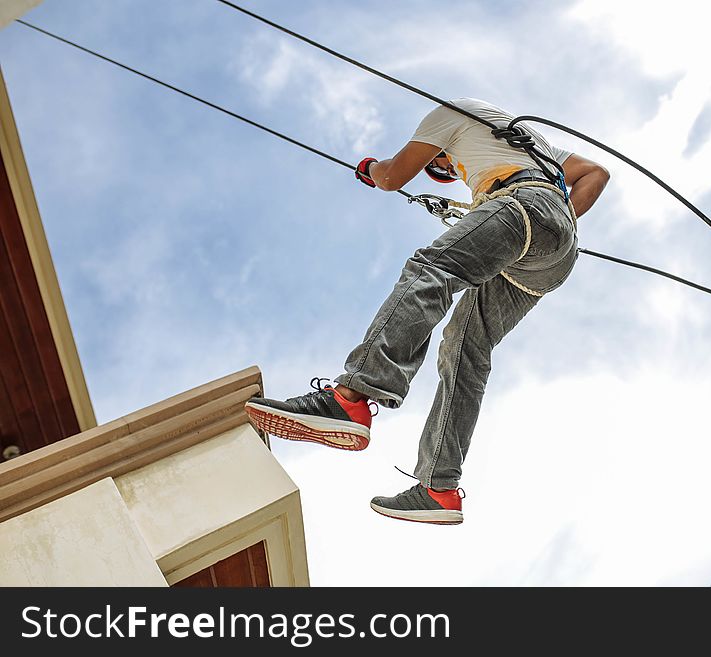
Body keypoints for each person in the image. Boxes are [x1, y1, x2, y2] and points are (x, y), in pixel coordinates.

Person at [245, 98, 610, 524]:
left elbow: (392, 175)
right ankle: (439, 488)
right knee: (465, 347)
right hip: (555, 253)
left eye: (444, 167)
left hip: (523, 204)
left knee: (432, 270)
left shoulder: (449, 115)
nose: (450, 174)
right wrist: (555, 222)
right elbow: (595, 174)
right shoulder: (532, 144)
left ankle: (352, 397)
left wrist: (371, 169)